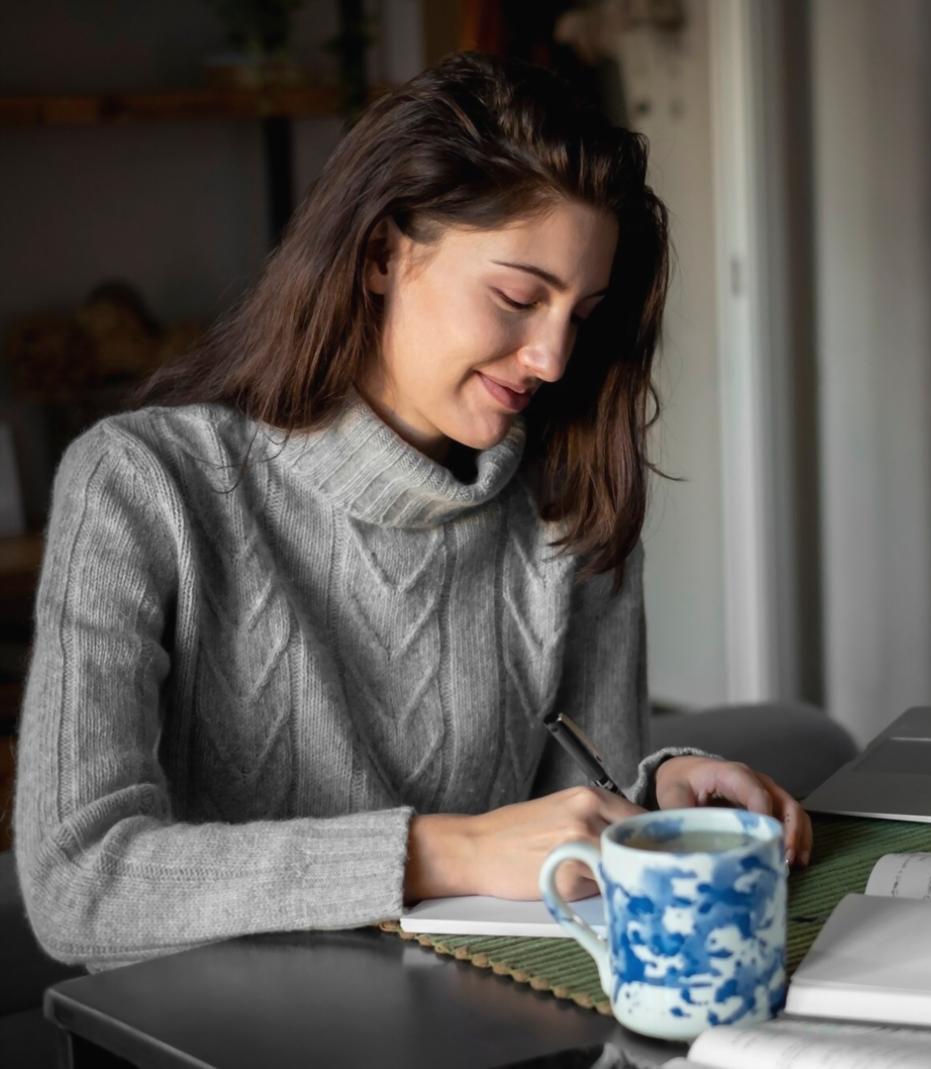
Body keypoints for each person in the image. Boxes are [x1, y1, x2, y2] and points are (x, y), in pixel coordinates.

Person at [14, 51, 811, 971]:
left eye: (581, 315)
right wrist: (442, 850)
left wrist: (655, 795)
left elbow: (565, 820)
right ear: (386, 253)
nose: (552, 358)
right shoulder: (142, 486)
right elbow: (79, 884)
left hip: (491, 1022)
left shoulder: (569, 498)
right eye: (518, 296)